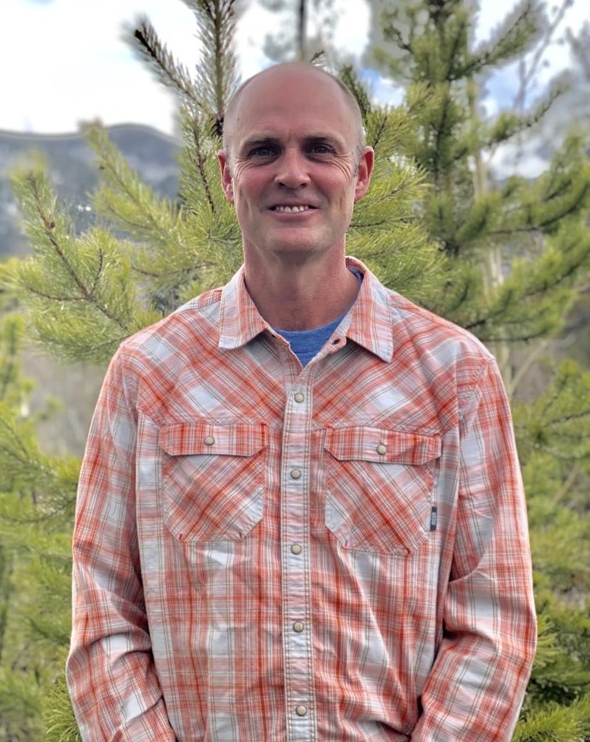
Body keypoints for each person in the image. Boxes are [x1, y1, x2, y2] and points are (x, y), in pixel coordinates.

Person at [66, 63, 537, 741]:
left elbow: (494, 623)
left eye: (320, 148)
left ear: (362, 172)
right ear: (228, 177)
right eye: (263, 151)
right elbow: (104, 616)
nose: (293, 172)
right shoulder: (147, 375)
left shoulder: (455, 376)